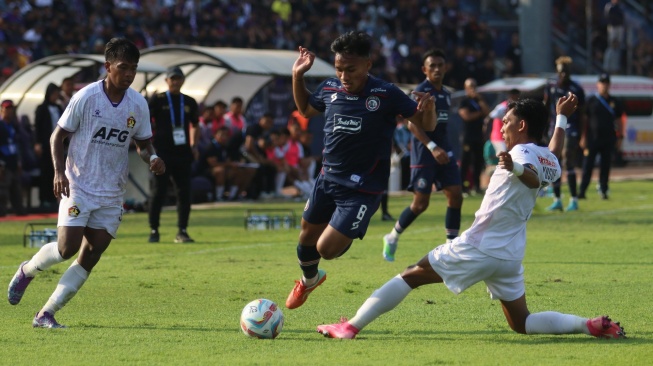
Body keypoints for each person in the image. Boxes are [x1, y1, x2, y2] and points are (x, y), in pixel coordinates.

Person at [316, 96, 625, 341]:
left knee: (410, 275)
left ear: (523, 125)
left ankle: (351, 327)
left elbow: (529, 177)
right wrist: (561, 118)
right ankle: (589, 326)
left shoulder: (520, 157)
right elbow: (553, 153)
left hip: (480, 247)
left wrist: (514, 168)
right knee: (522, 323)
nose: (502, 126)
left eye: (507, 121)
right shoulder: (546, 157)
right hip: (509, 255)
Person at [7, 38, 166, 328]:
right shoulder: (86, 97)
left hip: (113, 190)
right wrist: (58, 172)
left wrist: (152, 158)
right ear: (108, 66)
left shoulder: (138, 104)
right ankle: (28, 270)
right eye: (123, 67)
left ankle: (46, 314)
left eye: (134, 68)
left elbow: (144, 144)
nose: (129, 74)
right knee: (67, 247)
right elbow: (58, 136)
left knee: (92, 253)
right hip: (78, 183)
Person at [285, 31, 436, 310]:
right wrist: (298, 76)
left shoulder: (386, 93)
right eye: (339, 69)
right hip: (327, 177)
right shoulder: (330, 88)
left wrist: (429, 108)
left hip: (362, 188)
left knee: (326, 249)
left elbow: (425, 124)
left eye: (350, 69)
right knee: (306, 237)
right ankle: (309, 280)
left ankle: (347, 228)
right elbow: (306, 109)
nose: (344, 75)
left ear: (368, 64)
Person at [382, 49, 463, 262]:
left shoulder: (446, 94)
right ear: (424, 69)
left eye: (440, 65)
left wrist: (442, 147)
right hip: (425, 153)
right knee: (420, 204)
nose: (436, 69)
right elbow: (412, 124)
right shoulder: (420, 92)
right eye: (432, 65)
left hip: (444, 150)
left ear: (446, 68)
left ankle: (450, 248)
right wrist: (433, 147)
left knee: (455, 194)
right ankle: (392, 237)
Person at [147, 66, 199, 243]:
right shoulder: (158, 99)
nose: (175, 82)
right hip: (162, 152)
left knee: (184, 192)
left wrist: (194, 145)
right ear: (166, 81)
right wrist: (148, 145)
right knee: (158, 192)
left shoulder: (189, 101)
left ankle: (182, 230)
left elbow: (195, 124)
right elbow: (146, 120)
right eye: (172, 79)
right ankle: (154, 230)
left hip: (183, 153)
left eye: (178, 78)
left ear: (183, 80)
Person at [544, 56, 585, 212]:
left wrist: (583, 134)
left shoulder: (576, 89)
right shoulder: (551, 87)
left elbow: (582, 114)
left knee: (568, 158)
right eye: (561, 72)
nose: (563, 75)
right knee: (554, 162)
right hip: (554, 128)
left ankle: (574, 199)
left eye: (566, 72)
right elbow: (545, 107)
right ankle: (557, 199)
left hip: (571, 127)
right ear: (557, 71)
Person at [579, 73, 623, 200]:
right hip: (592, 139)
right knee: (587, 165)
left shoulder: (615, 101)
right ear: (598, 84)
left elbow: (620, 120)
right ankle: (582, 191)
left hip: (608, 138)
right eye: (602, 82)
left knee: (606, 165)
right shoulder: (591, 100)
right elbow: (584, 120)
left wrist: (620, 137)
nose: (604, 85)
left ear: (609, 85)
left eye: (606, 83)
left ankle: (603, 189)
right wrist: (583, 137)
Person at [34, 82, 63, 211]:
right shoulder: (41, 108)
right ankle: (44, 199)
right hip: (45, 145)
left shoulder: (58, 108)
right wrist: (37, 143)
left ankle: (53, 199)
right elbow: (37, 127)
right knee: (45, 172)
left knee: (56, 172)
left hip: (58, 145)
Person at [458, 78, 489, 195]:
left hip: (478, 136)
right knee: (465, 161)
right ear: (466, 88)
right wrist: (479, 113)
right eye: (470, 86)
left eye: (474, 86)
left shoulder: (479, 101)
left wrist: (480, 100)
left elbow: (487, 112)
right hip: (467, 136)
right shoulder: (464, 101)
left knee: (478, 161)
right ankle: (462, 187)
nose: (473, 89)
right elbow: (467, 116)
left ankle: (477, 186)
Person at [0, 99, 26, 216]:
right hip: (4, 163)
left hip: (14, 161)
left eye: (11, 109)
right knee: (3, 191)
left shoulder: (14, 125)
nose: (9, 112)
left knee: (16, 191)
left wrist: (19, 161)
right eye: (7, 109)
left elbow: (18, 144)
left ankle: (20, 212)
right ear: (1, 110)